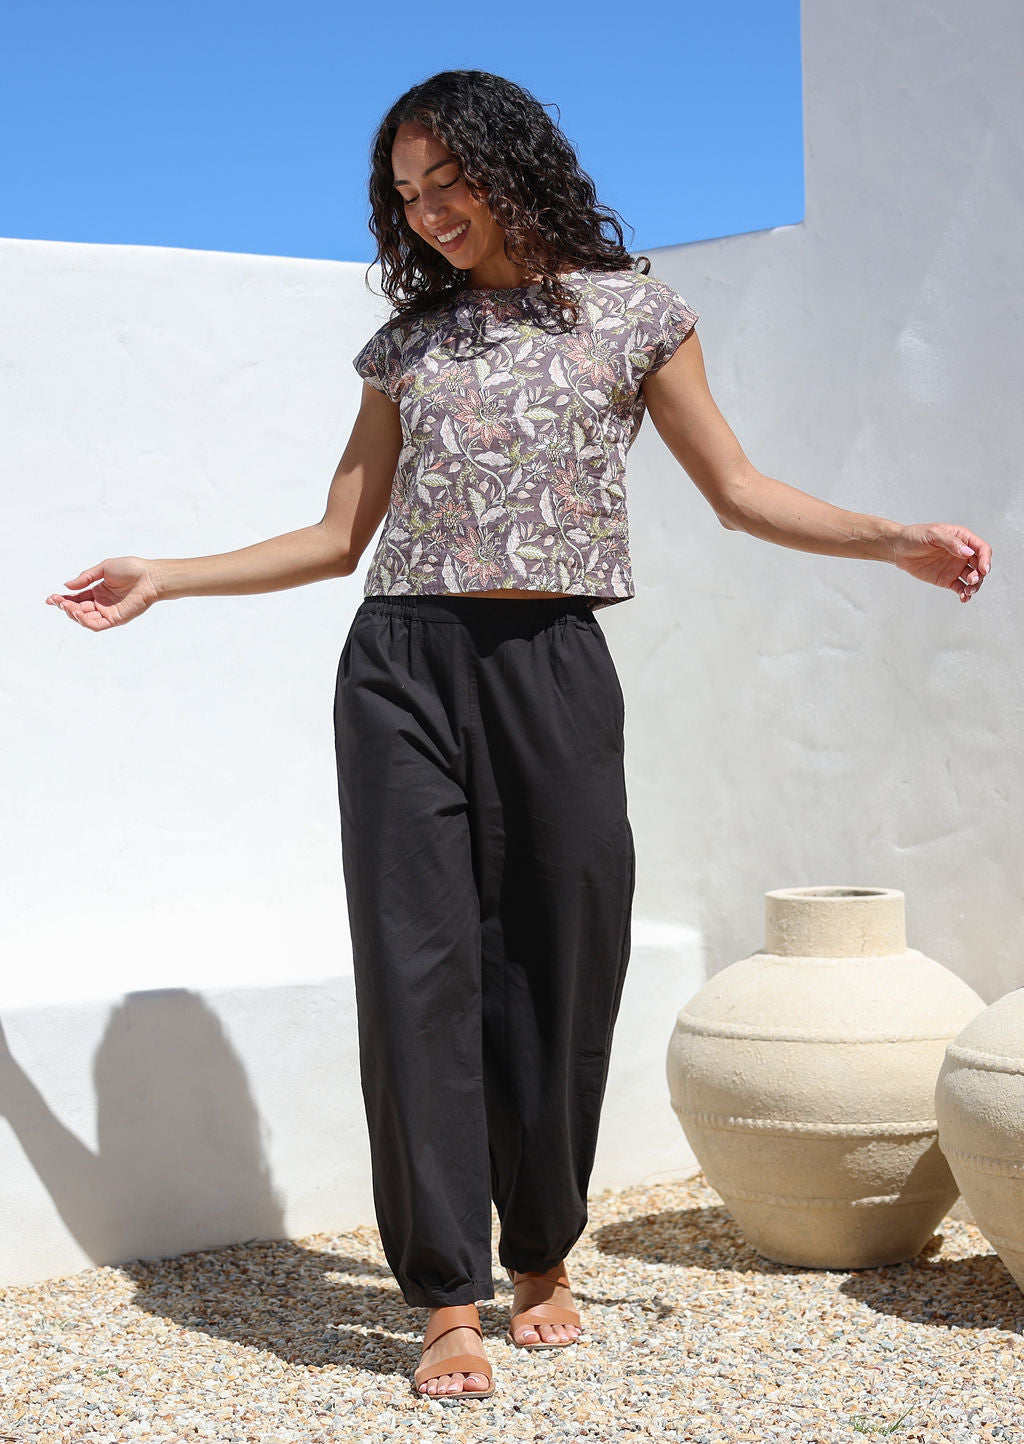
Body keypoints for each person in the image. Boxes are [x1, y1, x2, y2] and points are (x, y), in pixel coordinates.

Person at [47, 70, 991, 1403]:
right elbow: (337, 535)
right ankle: (448, 1296)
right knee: (416, 970)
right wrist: (167, 574)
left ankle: (541, 1249)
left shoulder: (635, 315)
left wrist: (894, 539)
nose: (429, 212)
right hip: (400, 666)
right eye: (407, 194)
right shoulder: (410, 345)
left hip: (552, 662)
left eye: (449, 180)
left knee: (564, 956)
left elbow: (738, 490)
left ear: (513, 164)